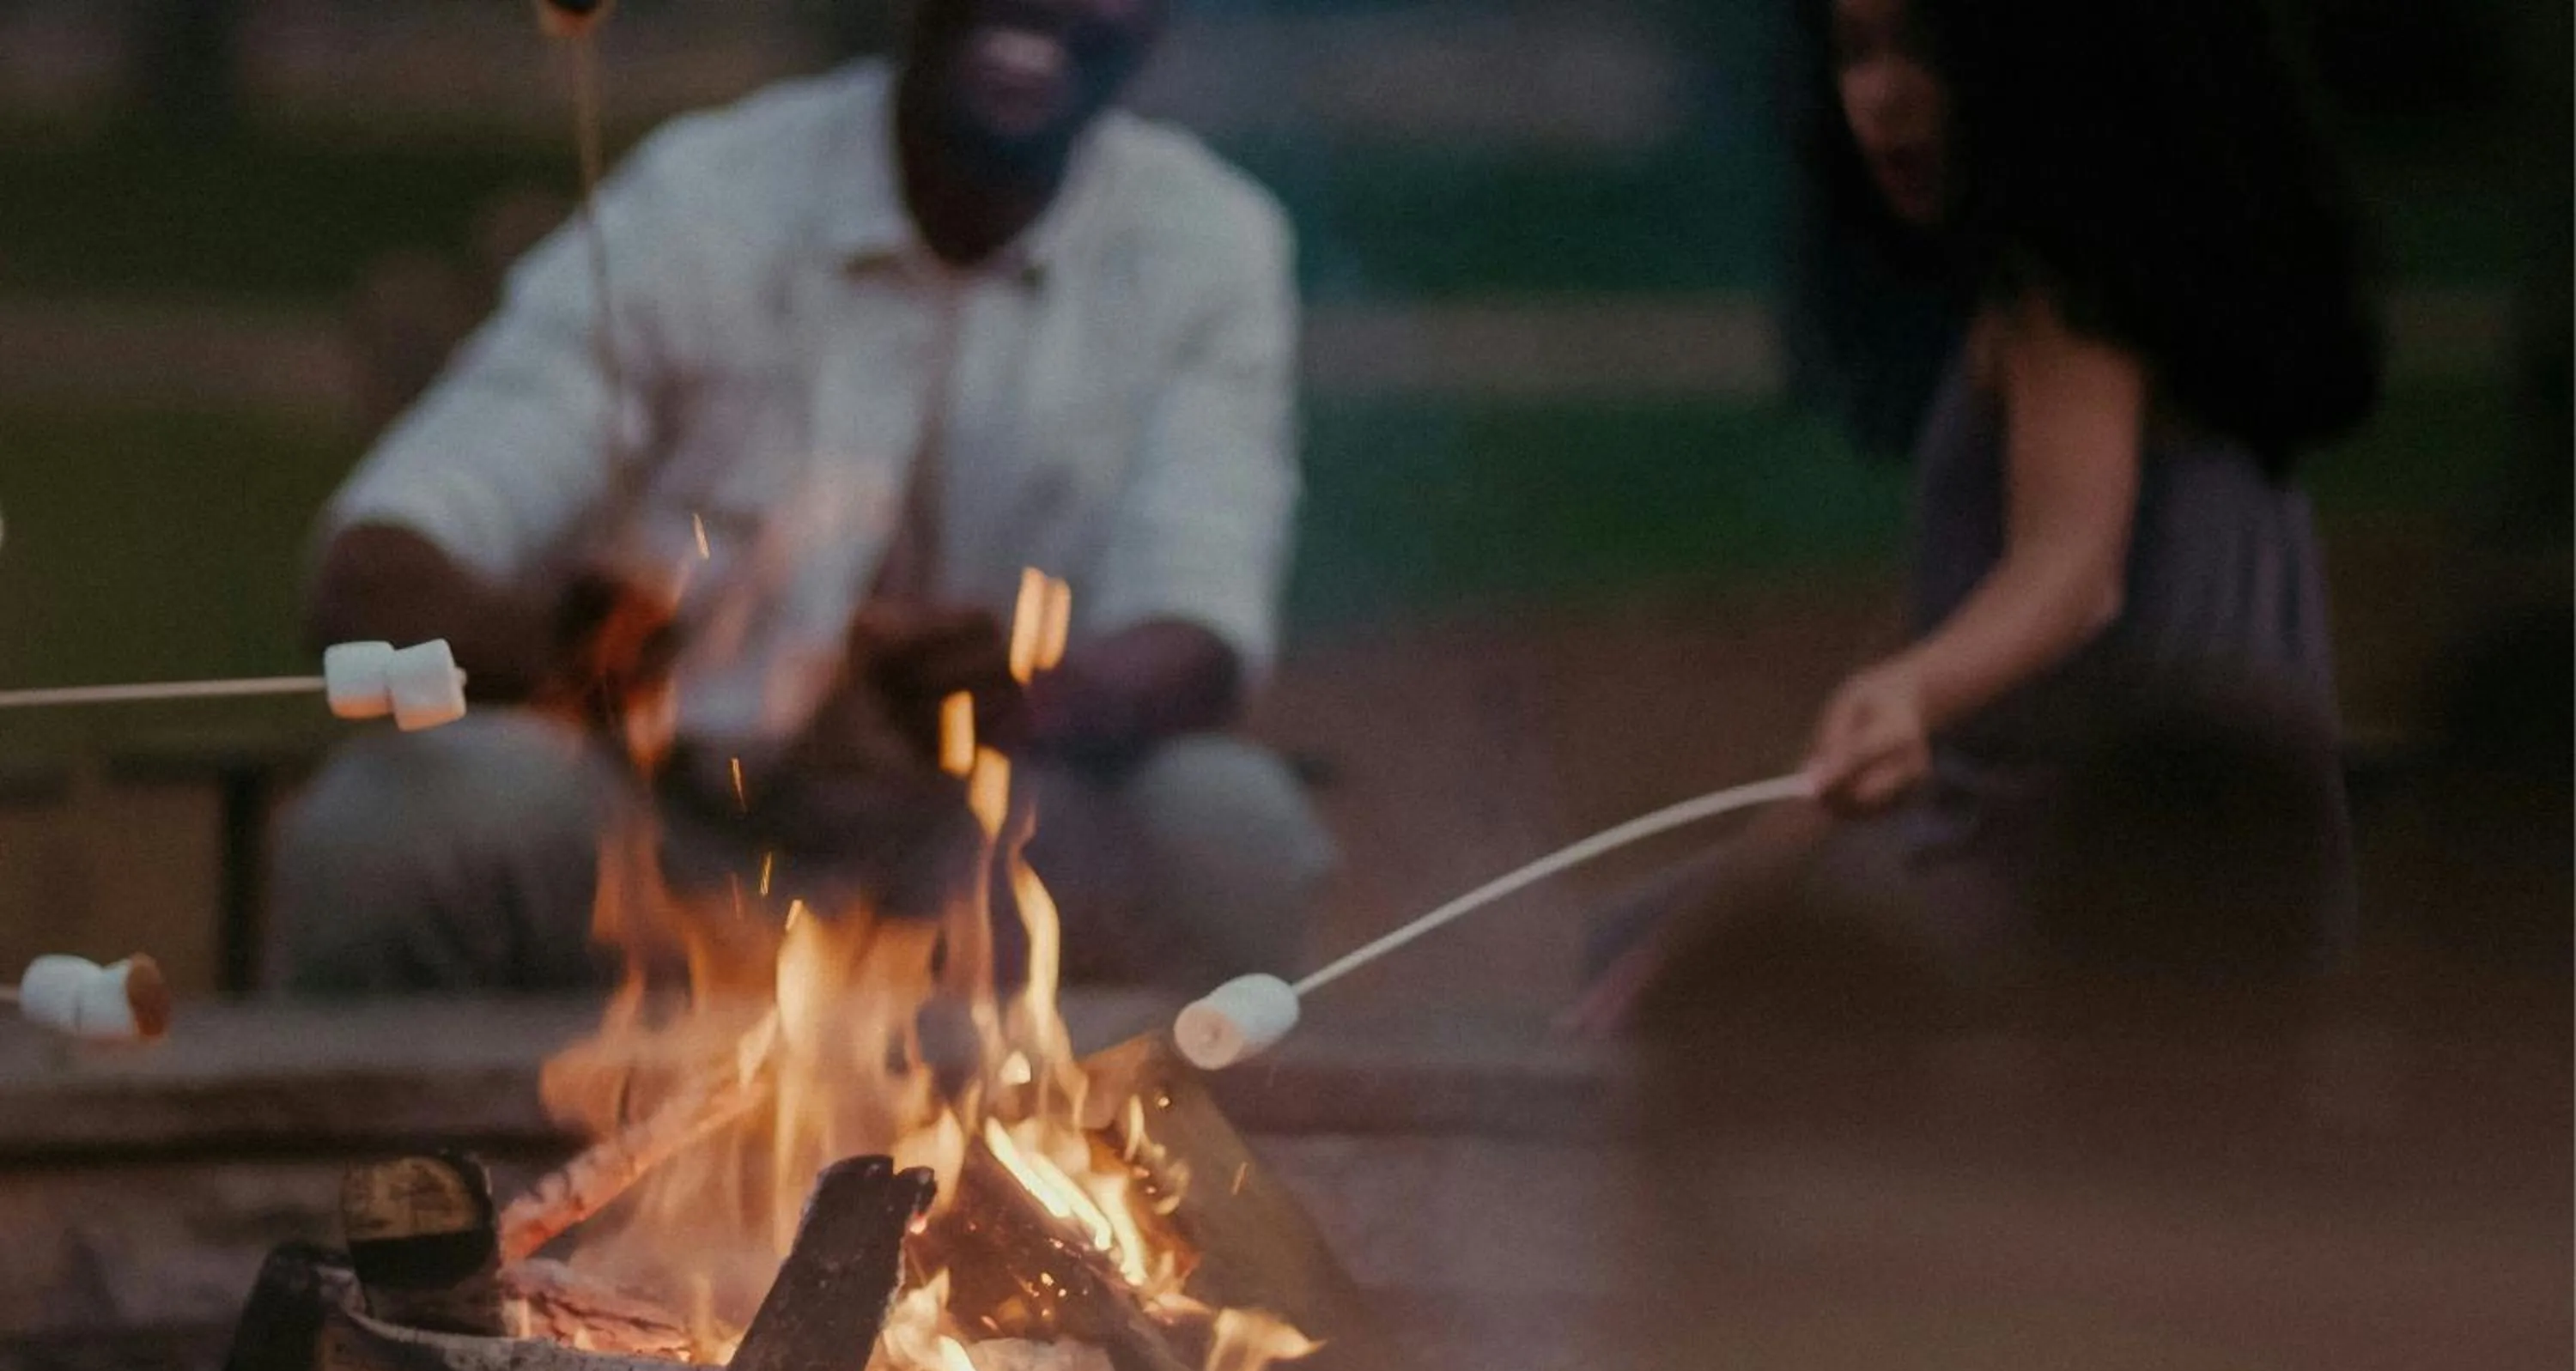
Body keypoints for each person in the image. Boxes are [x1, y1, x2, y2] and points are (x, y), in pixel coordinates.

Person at [270, 0, 1332, 993]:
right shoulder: (708, 195)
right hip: (661, 831)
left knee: (1227, 830)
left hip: (988, 844)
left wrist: (1029, 693)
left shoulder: (1208, 240)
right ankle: (402, 1191)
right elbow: (377, 564)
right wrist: (586, 657)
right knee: (404, 825)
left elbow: (1200, 623)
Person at [1583, 0, 2382, 1022]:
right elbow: (1938, 622)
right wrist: (1746, 878)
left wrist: (1909, 694)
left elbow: (2069, 574)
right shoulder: (2118, 273)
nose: (1879, 98)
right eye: (1854, 52)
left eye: (1927, 47)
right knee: (1655, 939)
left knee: (1706, 991)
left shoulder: (2065, 291)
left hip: (2101, 874)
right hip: (2192, 850)